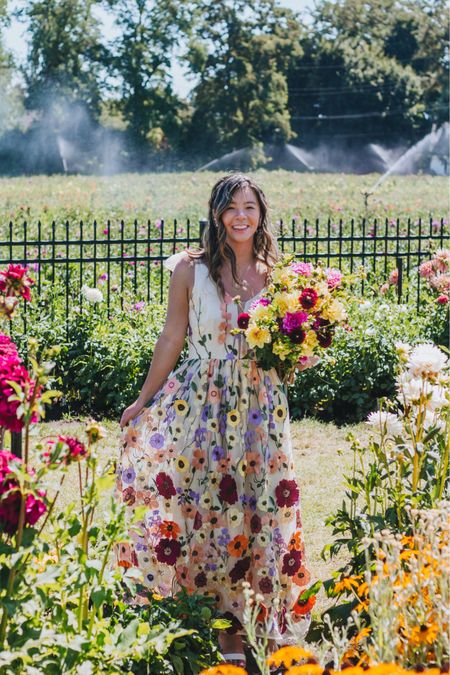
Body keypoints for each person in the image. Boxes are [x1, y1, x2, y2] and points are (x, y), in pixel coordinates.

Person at [116, 173, 311, 667]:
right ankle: (224, 629)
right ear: (217, 213)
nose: (241, 216)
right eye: (232, 207)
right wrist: (144, 400)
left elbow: (291, 345)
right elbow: (171, 338)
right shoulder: (189, 269)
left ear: (261, 214)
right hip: (199, 401)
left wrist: (301, 347)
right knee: (210, 508)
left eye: (250, 207)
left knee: (260, 505)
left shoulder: (278, 274)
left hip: (260, 405)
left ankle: (266, 626)